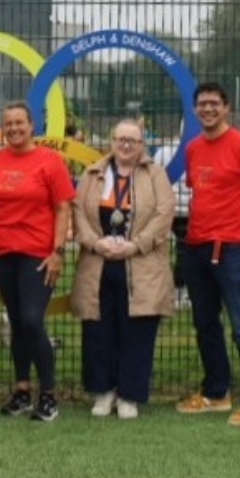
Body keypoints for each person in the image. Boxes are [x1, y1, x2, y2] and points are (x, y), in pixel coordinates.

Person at [176, 81, 240, 427]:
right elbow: (199, 195)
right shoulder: (192, 149)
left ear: (227, 107)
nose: (207, 109)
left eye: (213, 104)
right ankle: (216, 393)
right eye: (201, 104)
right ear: (195, 109)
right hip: (197, 246)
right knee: (205, 324)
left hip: (233, 248)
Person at [0, 101, 75, 422]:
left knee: (33, 321)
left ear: (33, 126)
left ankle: (48, 395)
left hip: (38, 254)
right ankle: (21, 391)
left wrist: (57, 252)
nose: (14, 129)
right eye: (8, 124)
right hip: (3, 253)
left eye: (20, 123)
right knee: (17, 322)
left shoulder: (50, 161)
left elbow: (62, 208)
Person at [71, 119, 176, 419]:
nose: (126, 145)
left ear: (142, 145)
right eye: (121, 139)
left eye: (133, 140)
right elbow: (78, 212)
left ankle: (129, 394)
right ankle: (103, 392)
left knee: (137, 330)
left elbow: (163, 212)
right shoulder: (93, 174)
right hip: (98, 263)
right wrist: (95, 243)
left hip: (141, 265)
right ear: (112, 141)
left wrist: (136, 245)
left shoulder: (155, 174)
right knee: (98, 330)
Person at [152, 140, 192, 309]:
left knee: (158, 251)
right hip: (187, 209)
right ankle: (180, 291)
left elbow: (154, 175)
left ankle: (163, 291)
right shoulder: (195, 149)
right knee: (184, 251)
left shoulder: (164, 151)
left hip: (167, 206)